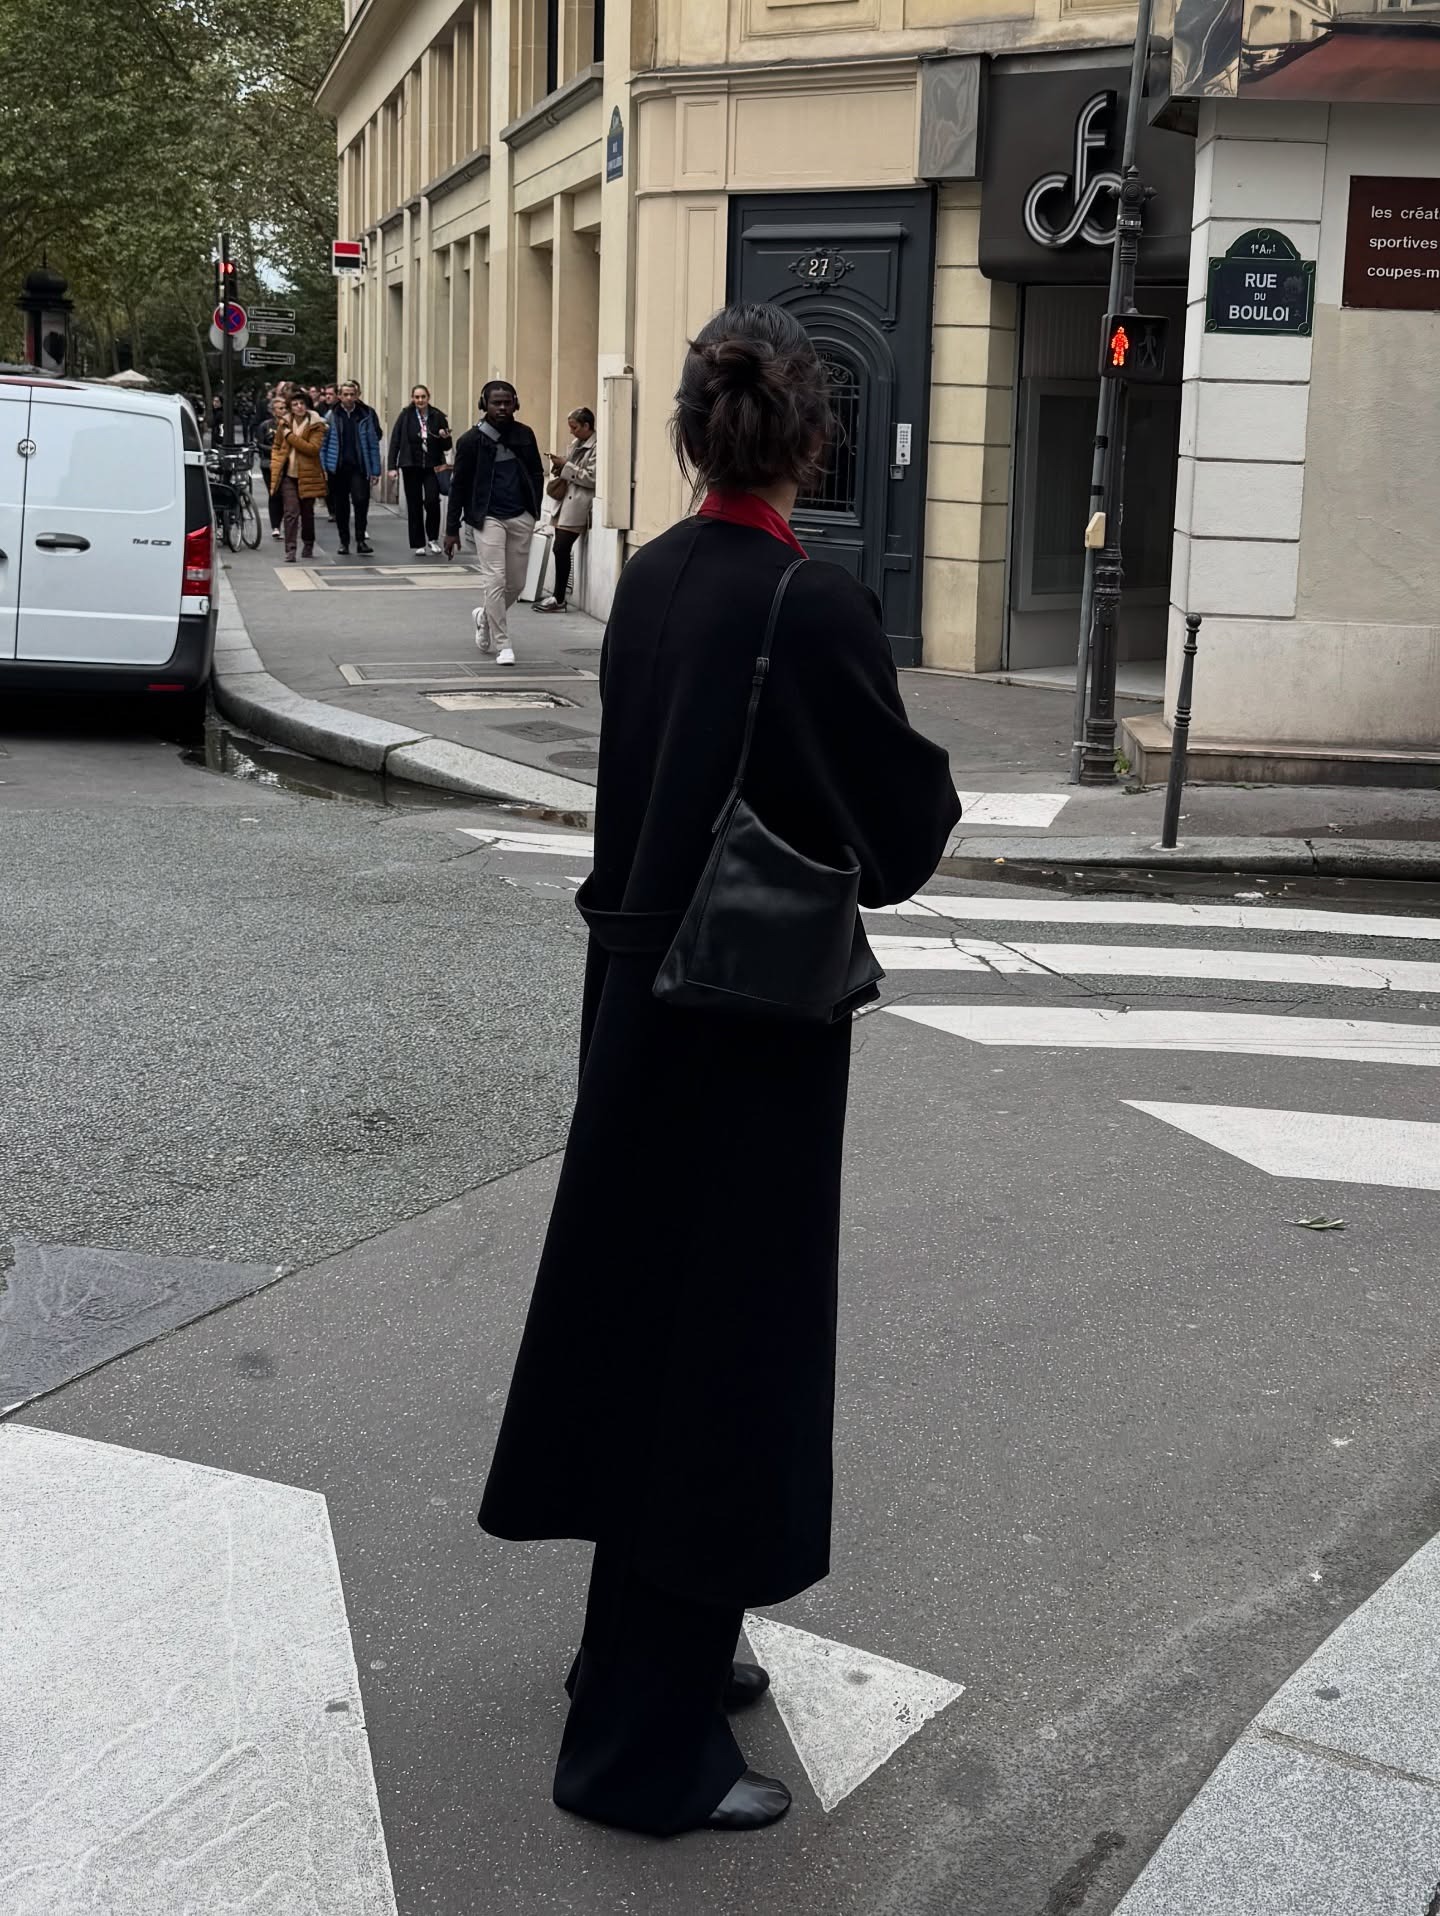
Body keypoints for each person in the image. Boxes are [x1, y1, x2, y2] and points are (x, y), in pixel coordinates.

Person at [476, 302, 961, 1838]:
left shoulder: (654, 580)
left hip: (632, 999)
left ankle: (656, 1645)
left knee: (641, 1323)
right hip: (746, 1028)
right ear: (808, 443)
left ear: (687, 437)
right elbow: (903, 841)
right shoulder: (811, 605)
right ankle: (640, 1751)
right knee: (717, 1360)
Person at [443, 379, 543, 667]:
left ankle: (484, 617)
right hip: (487, 517)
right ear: (483, 404)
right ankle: (503, 643)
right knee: (496, 580)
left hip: (520, 515)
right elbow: (458, 485)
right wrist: (452, 530)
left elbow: (536, 473)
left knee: (517, 583)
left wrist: (532, 510)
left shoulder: (525, 435)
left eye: (507, 402)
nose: (501, 407)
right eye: (495, 402)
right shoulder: (470, 441)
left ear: (515, 404)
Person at [535, 407, 597, 612]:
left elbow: (592, 478)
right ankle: (557, 596)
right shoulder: (576, 444)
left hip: (579, 504)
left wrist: (566, 465)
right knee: (559, 549)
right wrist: (559, 465)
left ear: (587, 426)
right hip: (566, 503)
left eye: (575, 427)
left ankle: (559, 598)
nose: (572, 431)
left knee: (560, 548)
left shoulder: (596, 446)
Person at [388, 384, 452, 554]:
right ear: (412, 398)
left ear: (428, 398)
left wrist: (445, 436)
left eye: (423, 397)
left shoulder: (437, 416)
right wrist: (391, 467)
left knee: (432, 501)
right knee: (414, 504)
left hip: (432, 466)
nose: (420, 400)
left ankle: (432, 538)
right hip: (411, 465)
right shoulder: (406, 416)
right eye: (417, 397)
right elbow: (395, 441)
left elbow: (447, 445)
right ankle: (418, 543)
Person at [321, 380, 382, 555]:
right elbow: (323, 444)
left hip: (359, 467)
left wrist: (375, 469)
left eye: (352, 394)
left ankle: (361, 539)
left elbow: (372, 443)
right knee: (341, 506)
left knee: (361, 501)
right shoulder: (331, 416)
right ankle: (344, 541)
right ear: (339, 396)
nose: (348, 397)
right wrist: (324, 466)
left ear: (357, 395)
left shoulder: (365, 414)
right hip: (338, 467)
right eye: (345, 394)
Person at [270, 390, 327, 563]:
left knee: (307, 513)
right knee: (291, 512)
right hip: (288, 474)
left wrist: (290, 436)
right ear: (290, 408)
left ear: (307, 404)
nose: (299, 407)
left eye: (302, 403)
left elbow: (312, 448)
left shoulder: (316, 424)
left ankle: (308, 543)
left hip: (308, 474)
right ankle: (290, 549)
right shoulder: (284, 423)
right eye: (295, 404)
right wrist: (276, 462)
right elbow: (277, 445)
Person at [254, 392, 288, 540]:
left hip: (287, 463)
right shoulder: (265, 426)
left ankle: (287, 522)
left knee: (286, 494)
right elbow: (260, 444)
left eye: (284, 407)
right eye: (279, 408)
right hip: (270, 464)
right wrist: (276, 450)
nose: (283, 410)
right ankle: (275, 526)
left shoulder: (290, 424)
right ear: (273, 411)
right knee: (274, 493)